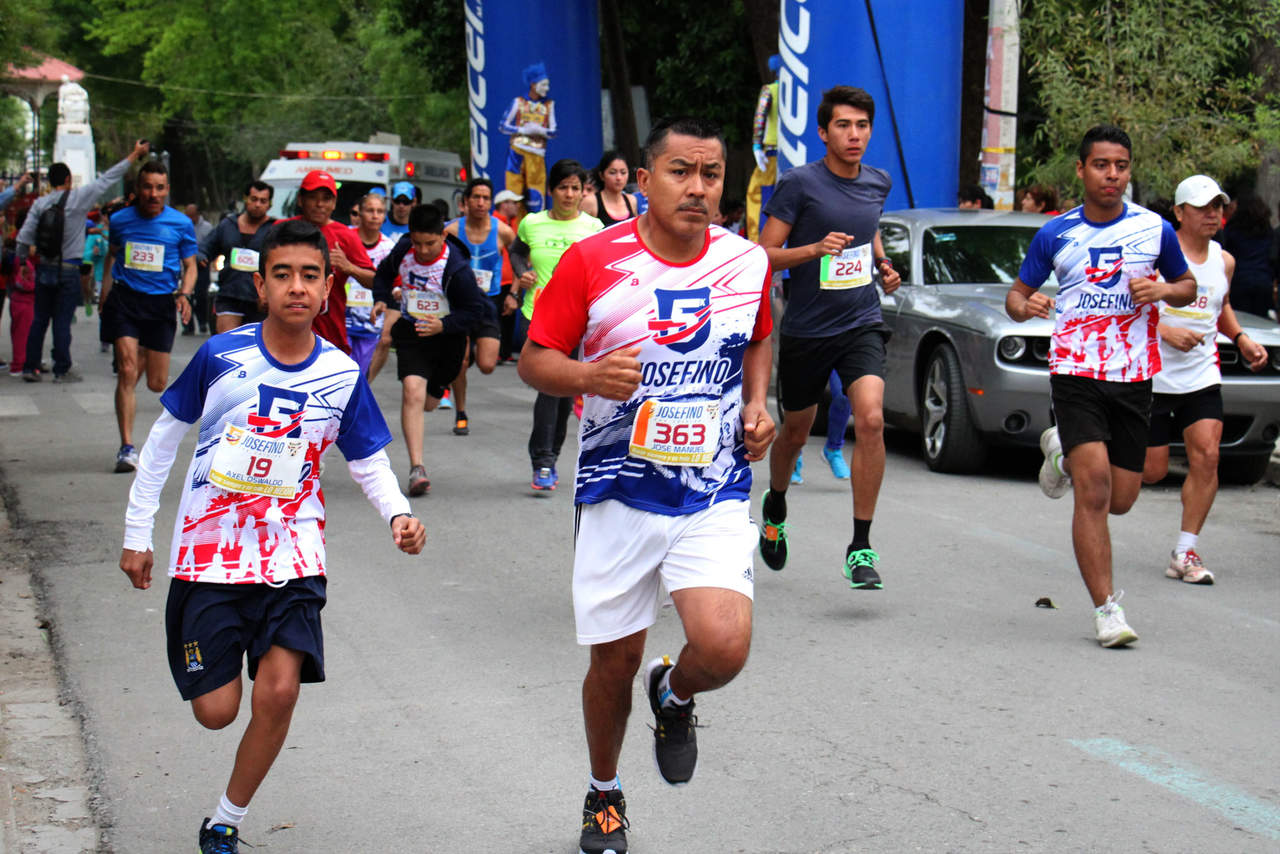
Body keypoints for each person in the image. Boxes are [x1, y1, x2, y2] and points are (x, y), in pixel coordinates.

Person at [118, 219, 426, 854]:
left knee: (279, 691)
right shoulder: (220, 356)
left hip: (293, 555)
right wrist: (136, 533)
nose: (296, 287)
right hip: (209, 556)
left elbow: (367, 460)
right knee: (216, 711)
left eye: (310, 275)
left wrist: (397, 514)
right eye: (282, 275)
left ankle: (225, 821)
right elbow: (162, 443)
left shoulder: (341, 374)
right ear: (260, 286)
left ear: (328, 286)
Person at [518, 115, 776, 854]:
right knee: (614, 662)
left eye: (711, 175)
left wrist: (757, 405)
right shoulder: (594, 261)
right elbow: (535, 360)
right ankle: (604, 792)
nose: (698, 188)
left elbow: (759, 335)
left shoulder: (745, 263)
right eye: (680, 172)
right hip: (617, 490)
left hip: (712, 485)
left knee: (723, 647)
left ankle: (676, 691)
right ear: (644, 178)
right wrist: (587, 376)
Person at [1005, 124, 1196, 648]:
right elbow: (1015, 297)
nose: (1112, 175)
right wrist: (1027, 305)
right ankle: (1107, 610)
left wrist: (1162, 290)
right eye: (1101, 165)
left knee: (1122, 498)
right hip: (1076, 370)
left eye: (1121, 166)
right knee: (1093, 490)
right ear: (1081, 169)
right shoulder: (1056, 233)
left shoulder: (1154, 228)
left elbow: (1187, 285)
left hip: (1133, 375)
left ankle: (1060, 453)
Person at [756, 86, 903, 589]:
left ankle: (860, 546)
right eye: (843, 125)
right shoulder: (799, 184)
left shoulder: (878, 182)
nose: (854, 134)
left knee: (872, 418)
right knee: (795, 433)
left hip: (861, 321)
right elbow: (763, 255)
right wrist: (814, 250)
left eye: (862, 126)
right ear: (823, 132)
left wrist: (883, 264)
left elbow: (869, 229)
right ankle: (776, 504)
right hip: (807, 329)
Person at [1142, 174, 1268, 584]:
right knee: (1152, 471)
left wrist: (1242, 339)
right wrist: (1166, 332)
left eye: (1218, 206)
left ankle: (1185, 551)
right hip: (1152, 375)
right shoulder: (1156, 257)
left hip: (1201, 374)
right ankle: (1073, 454)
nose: (1212, 214)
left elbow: (1221, 305)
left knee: (1208, 456)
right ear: (1180, 213)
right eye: (1202, 207)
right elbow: (1128, 310)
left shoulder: (1223, 260)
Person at [371, 204, 484, 496]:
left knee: (430, 403)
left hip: (448, 339)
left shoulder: (457, 268)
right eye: (417, 243)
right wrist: (382, 298)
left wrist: (443, 325)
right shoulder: (403, 250)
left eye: (429, 244)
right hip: (412, 332)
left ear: (443, 236)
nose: (422, 250)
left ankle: (438, 388)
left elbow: (474, 312)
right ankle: (417, 468)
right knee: (412, 392)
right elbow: (382, 275)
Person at [16, 140, 149, 381]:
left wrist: (24, 262)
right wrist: (134, 153)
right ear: (68, 180)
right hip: (69, 269)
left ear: (50, 182)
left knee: (39, 319)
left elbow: (24, 236)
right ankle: (61, 369)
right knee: (62, 321)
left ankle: (30, 366)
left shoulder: (39, 204)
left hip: (44, 267)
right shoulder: (78, 198)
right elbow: (108, 178)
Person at [507, 159, 602, 491]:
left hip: (577, 320)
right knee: (550, 389)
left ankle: (552, 455)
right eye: (563, 187)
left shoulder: (594, 228)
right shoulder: (532, 223)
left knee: (564, 394)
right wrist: (522, 273)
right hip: (538, 315)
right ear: (551, 190)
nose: (569, 194)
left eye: (576, 188)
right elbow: (516, 252)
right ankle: (543, 461)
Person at [99, 160, 198, 473]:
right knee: (127, 371)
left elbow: (191, 266)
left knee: (156, 383)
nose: (153, 194)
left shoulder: (181, 224)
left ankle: (140, 354)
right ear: (137, 189)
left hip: (160, 305)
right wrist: (103, 293)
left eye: (159, 188)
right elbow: (112, 256)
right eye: (147, 187)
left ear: (167, 190)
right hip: (125, 300)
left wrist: (184, 294)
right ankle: (126, 448)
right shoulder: (120, 220)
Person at [443, 177, 514, 434]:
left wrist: (513, 293)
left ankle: (469, 353)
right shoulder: (451, 231)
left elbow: (521, 258)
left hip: (488, 303)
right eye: (476, 197)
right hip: (459, 303)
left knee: (486, 365)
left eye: (485, 198)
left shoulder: (503, 231)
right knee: (460, 362)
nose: (481, 202)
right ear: (466, 201)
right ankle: (461, 413)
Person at [286, 170, 375, 354]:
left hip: (329, 336)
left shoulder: (345, 236)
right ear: (301, 200)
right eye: (313, 197)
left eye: (326, 199)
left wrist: (349, 267)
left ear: (334, 203)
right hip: (286, 332)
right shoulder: (283, 230)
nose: (319, 204)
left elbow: (376, 281)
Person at [200, 181, 275, 333]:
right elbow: (206, 247)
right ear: (245, 199)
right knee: (226, 342)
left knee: (255, 345)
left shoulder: (274, 229)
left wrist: (269, 293)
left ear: (269, 205)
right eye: (254, 199)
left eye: (263, 201)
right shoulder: (228, 224)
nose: (257, 205)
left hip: (259, 300)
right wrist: (201, 256)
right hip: (229, 295)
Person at [348, 192, 396, 379]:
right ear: (359, 213)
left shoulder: (389, 247)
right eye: (370, 210)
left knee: (358, 376)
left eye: (380, 211)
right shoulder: (345, 237)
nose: (375, 216)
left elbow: (395, 282)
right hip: (343, 318)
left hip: (371, 321)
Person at [500, 62, 557, 213]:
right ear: (533, 84)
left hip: (537, 155)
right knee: (513, 192)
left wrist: (540, 130)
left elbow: (553, 131)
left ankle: (534, 224)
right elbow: (503, 126)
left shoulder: (549, 105)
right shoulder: (518, 102)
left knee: (536, 195)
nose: (546, 88)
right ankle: (512, 224)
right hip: (517, 152)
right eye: (543, 84)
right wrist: (522, 130)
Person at [1220, 194, 1276, 319]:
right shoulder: (1268, 230)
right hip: (1263, 281)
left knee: (1239, 320)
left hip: (1239, 281)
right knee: (1260, 321)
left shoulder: (1232, 230)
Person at [746, 54, 782, 241]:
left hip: (771, 154)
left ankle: (758, 241)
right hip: (786, 155)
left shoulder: (770, 90)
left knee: (758, 195)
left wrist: (756, 145)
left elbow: (760, 117)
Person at [580, 150, 639, 226]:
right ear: (601, 175)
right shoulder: (591, 202)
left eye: (623, 172)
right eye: (612, 173)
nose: (619, 178)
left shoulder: (631, 200)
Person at [183, 203, 215, 335]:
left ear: (197, 215)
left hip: (202, 266)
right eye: (187, 216)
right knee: (186, 295)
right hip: (185, 265)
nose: (190, 218)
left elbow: (211, 246)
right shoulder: (183, 226)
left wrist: (204, 257)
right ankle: (187, 325)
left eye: (192, 215)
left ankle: (202, 321)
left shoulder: (207, 228)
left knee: (201, 296)